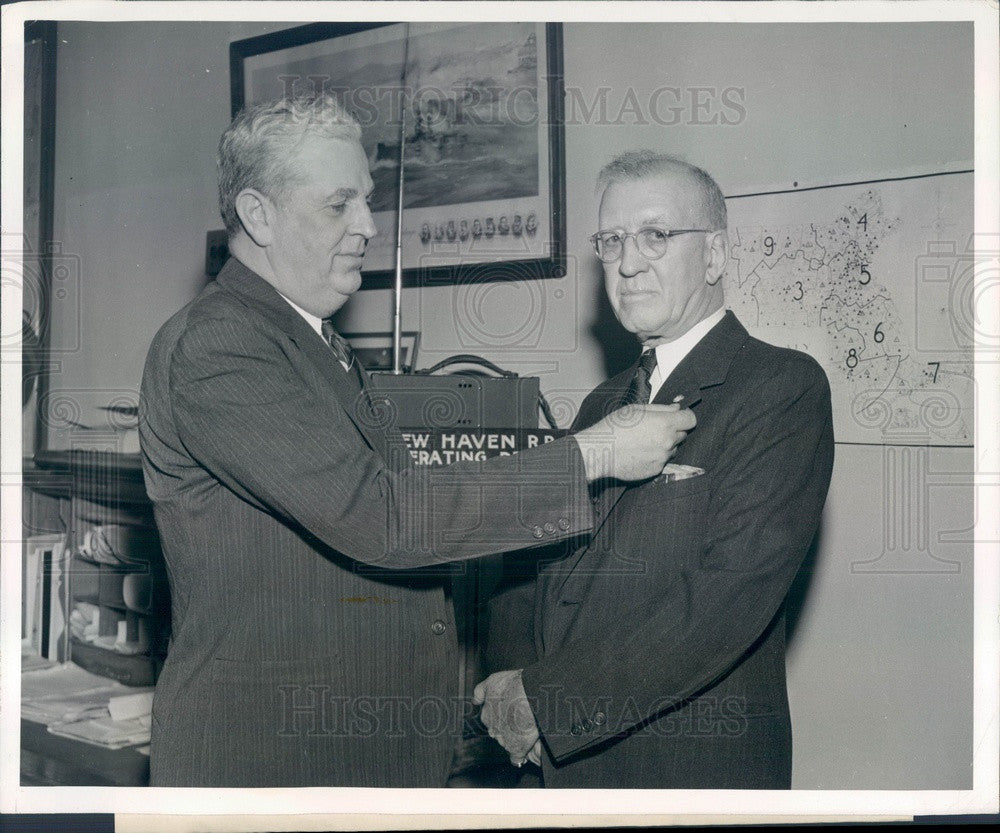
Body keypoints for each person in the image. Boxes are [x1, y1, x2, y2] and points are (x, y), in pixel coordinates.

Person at [138, 99, 695, 787]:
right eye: (339, 204)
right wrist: (591, 453)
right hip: (271, 764)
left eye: (366, 201)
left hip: (356, 758)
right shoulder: (220, 345)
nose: (368, 226)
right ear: (258, 214)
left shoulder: (313, 344)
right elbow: (382, 517)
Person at [477, 150, 835, 788]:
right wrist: (510, 690)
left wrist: (546, 701)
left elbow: (724, 603)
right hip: (558, 764)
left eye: (656, 236)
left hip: (683, 769)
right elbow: (532, 568)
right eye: (612, 239)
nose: (627, 261)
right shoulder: (602, 402)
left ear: (716, 256)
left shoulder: (780, 387)